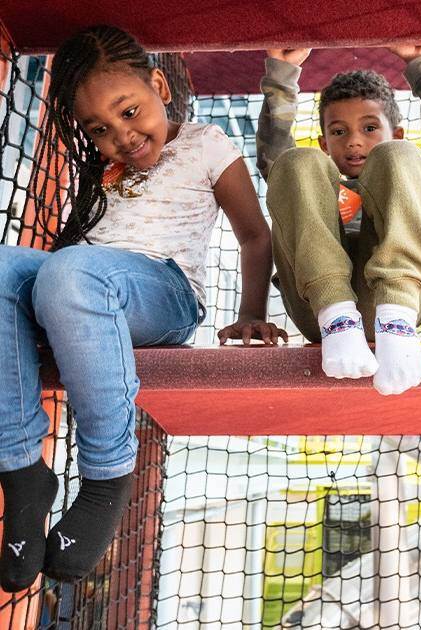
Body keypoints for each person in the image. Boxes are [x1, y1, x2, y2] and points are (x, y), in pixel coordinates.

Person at [0, 24, 285, 591]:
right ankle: (21, 469)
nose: (121, 137)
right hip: (82, 282)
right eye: (99, 129)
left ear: (160, 85)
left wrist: (251, 308)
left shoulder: (205, 143)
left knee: (69, 270)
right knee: (7, 266)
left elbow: (255, 234)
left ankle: (108, 475)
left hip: (165, 292)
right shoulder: (101, 169)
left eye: (130, 112)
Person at [257, 45, 421, 395]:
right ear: (325, 142)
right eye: (339, 132)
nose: (354, 141)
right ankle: (337, 316)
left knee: (400, 159)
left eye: (370, 128)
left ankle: (396, 323)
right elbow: (275, 153)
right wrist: (281, 74)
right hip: (319, 310)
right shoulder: (311, 182)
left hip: (397, 302)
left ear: (395, 132)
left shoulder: (407, 175)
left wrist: (420, 65)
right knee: (294, 163)